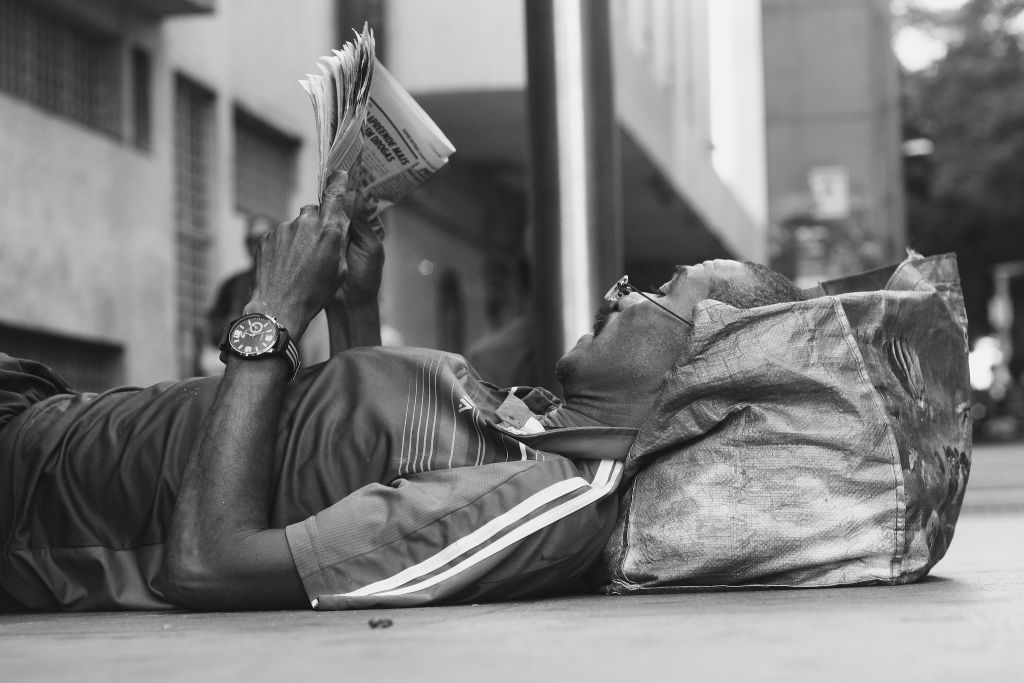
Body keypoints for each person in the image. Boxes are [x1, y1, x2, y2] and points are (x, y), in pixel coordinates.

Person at [0, 174, 805, 611]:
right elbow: (352, 468)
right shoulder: (532, 424)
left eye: (664, 288)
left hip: (26, 497)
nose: (621, 292)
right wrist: (356, 304)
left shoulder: (549, 502)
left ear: (700, 368)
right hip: (46, 417)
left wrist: (273, 314)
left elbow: (209, 566)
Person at [206, 214, 276, 349]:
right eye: (253, 241)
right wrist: (231, 324)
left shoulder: (288, 281)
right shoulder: (232, 286)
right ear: (246, 245)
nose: (259, 246)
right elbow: (213, 332)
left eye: (265, 239)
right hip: (242, 361)